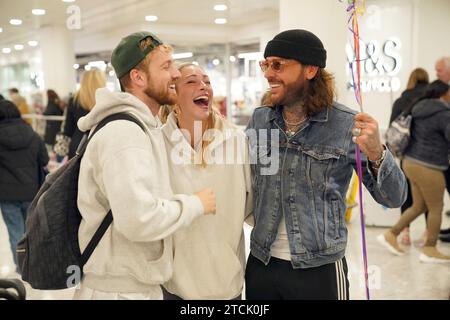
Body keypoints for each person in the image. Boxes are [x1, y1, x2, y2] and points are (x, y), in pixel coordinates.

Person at [245, 29, 407, 300]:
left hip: (319, 269)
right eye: (266, 64)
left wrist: (378, 153)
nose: (268, 73)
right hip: (262, 263)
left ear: (310, 70)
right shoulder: (261, 120)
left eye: (278, 65)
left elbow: (393, 198)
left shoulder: (346, 125)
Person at [72, 31, 216, 300]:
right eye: (166, 66)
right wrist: (196, 203)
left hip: (129, 285)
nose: (176, 73)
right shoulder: (125, 134)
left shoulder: (140, 127)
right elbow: (138, 220)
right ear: (138, 77)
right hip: (119, 290)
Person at [160, 63, 252, 300]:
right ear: (173, 94)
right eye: (191, 81)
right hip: (174, 287)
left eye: (207, 81)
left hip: (225, 286)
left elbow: (251, 210)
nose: (204, 86)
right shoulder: (157, 143)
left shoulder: (237, 142)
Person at [378, 80, 450, 263]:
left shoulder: (418, 107)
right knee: (436, 207)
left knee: (419, 206)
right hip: (429, 167)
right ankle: (430, 249)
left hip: (410, 163)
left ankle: (391, 234)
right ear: (443, 94)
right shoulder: (443, 113)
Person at [0, 100, 49, 273]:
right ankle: (35, 263)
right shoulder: (31, 133)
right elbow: (44, 160)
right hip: (32, 192)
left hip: (6, 195)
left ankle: (22, 267)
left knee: (15, 231)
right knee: (32, 230)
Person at [388, 68, 429, 245]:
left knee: (408, 195)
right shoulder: (431, 99)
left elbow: (392, 127)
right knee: (429, 196)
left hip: (407, 155)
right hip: (428, 156)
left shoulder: (401, 100)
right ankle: (428, 232)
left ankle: (405, 233)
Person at [63, 69, 106, 159]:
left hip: (78, 147)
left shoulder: (74, 101)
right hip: (101, 146)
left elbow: (68, 130)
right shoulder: (107, 101)